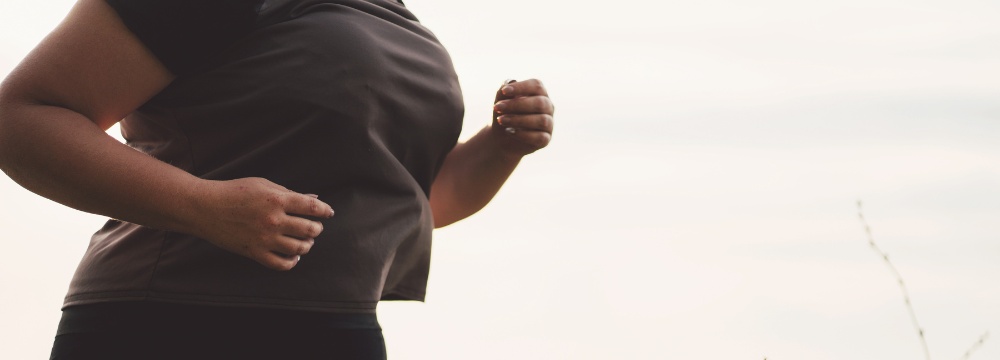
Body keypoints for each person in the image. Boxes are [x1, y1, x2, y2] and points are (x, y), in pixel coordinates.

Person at [0, 0, 555, 358]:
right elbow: (20, 119)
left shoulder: (394, 18)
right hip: (175, 324)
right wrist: (202, 205)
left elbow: (407, 204)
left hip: (341, 330)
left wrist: (502, 145)